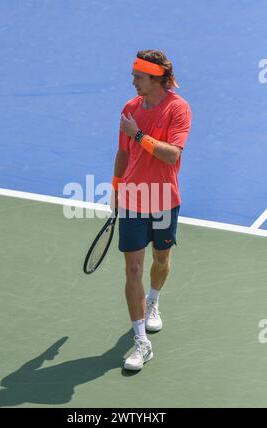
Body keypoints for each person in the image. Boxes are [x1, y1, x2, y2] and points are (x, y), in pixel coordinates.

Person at [111, 50, 192, 371]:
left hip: (163, 199)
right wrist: (117, 187)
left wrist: (139, 134)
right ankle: (140, 341)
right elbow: (122, 151)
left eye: (138, 77)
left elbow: (171, 155)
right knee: (132, 270)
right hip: (132, 198)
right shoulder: (129, 109)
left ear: (156, 79)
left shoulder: (178, 109)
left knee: (161, 259)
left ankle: (153, 301)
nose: (133, 82)